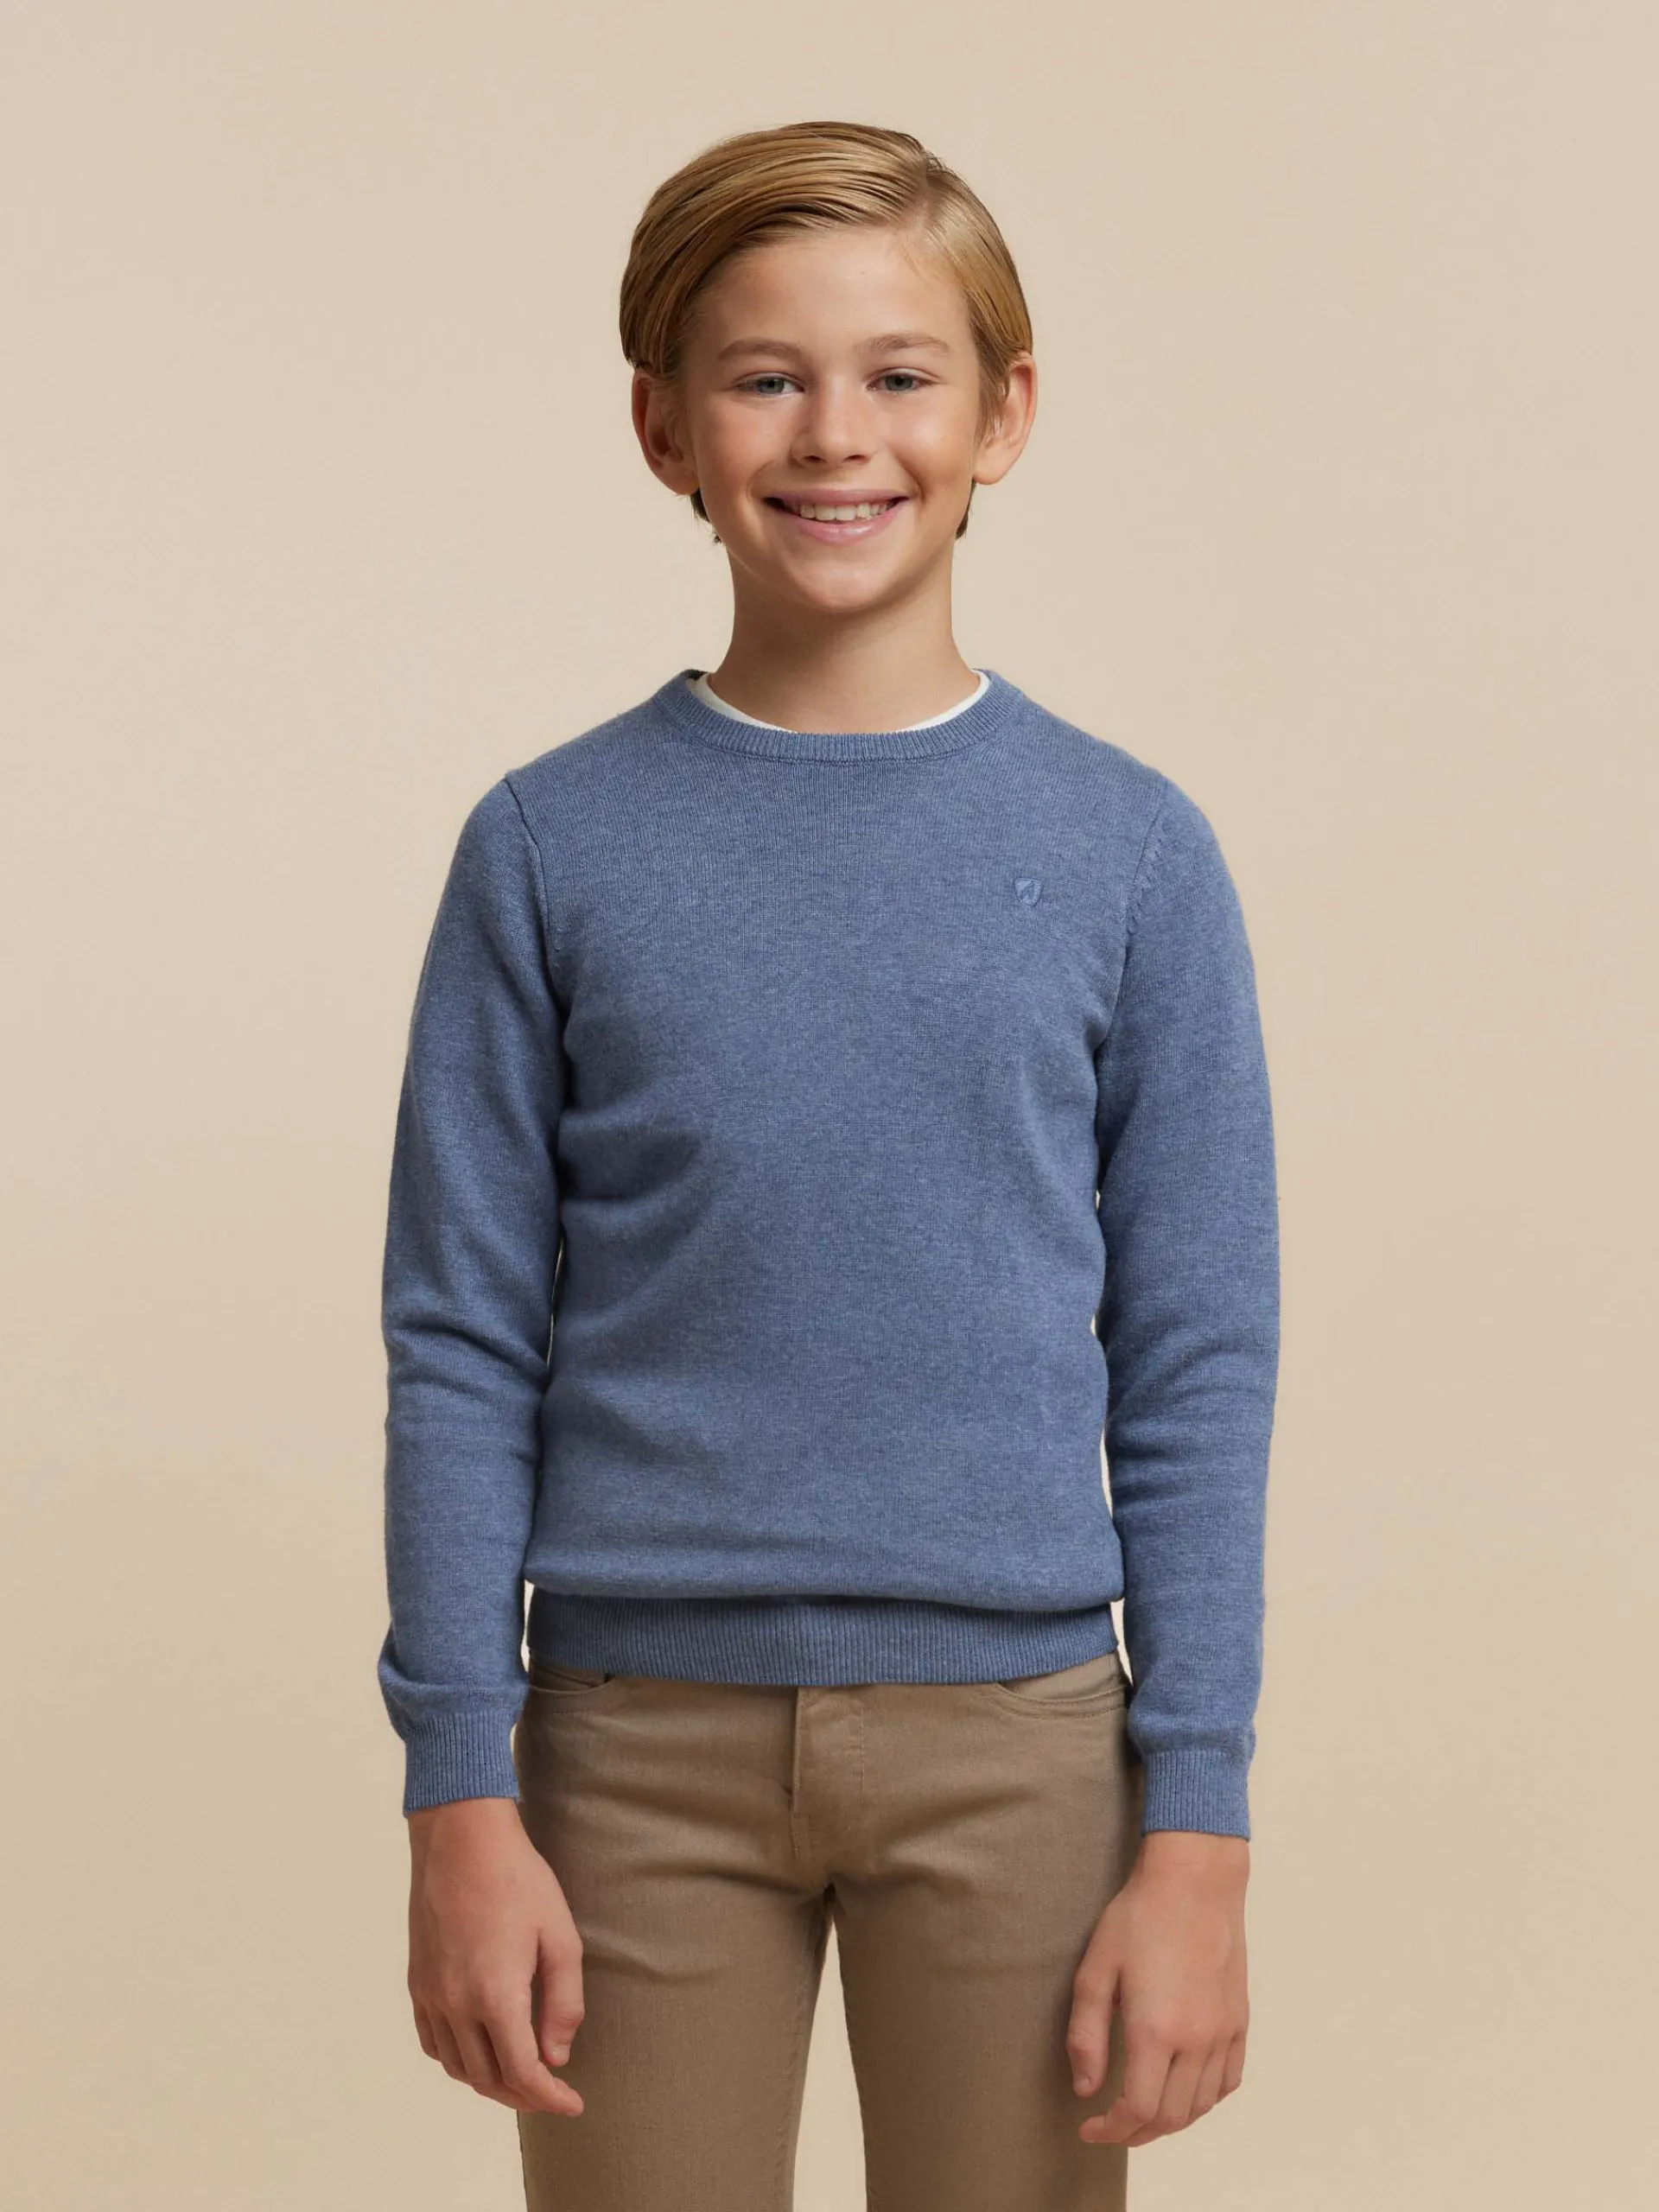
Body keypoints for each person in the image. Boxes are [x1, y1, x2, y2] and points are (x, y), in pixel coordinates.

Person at [376, 119, 1281, 2212]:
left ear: (1003, 415)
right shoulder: (549, 847)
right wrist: (458, 1788)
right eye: (765, 376)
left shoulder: (1133, 853)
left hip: (1024, 1742)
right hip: (626, 1746)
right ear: (664, 430)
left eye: (898, 373)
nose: (835, 434)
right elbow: (460, 1339)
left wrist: (1200, 1828)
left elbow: (1198, 1356)